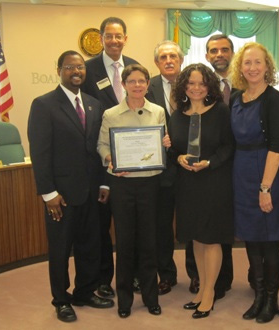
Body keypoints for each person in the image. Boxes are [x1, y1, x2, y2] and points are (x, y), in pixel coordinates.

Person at [28, 50, 114, 323]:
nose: (76, 72)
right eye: (69, 67)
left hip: (90, 191)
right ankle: (61, 299)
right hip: (61, 196)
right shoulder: (44, 105)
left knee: (90, 245)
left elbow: (97, 148)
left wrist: (103, 182)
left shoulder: (93, 103)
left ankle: (85, 291)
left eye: (80, 67)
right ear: (59, 70)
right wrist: (48, 193)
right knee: (61, 250)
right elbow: (40, 153)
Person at [97, 64, 165, 319]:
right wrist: (110, 160)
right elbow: (102, 145)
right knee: (124, 243)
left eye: (142, 81)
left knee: (149, 242)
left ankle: (150, 297)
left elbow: (161, 142)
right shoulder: (111, 114)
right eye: (132, 81)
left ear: (148, 84)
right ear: (124, 84)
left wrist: (165, 141)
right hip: (122, 184)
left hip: (150, 183)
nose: (137, 85)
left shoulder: (157, 111)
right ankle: (124, 299)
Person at [167, 63, 234, 319]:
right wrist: (179, 158)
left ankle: (209, 292)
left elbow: (229, 147)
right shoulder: (177, 114)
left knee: (211, 237)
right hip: (187, 184)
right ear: (184, 85)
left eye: (201, 83)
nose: (196, 88)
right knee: (195, 237)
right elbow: (173, 150)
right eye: (191, 83)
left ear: (209, 86)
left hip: (214, 181)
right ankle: (201, 289)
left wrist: (210, 162)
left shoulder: (221, 112)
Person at [229, 42, 279, 324]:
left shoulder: (273, 99)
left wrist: (265, 187)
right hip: (241, 172)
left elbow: (277, 146)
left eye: (257, 62)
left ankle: (271, 299)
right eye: (247, 63)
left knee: (269, 240)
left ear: (267, 67)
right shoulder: (236, 98)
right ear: (240, 67)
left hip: (266, 172)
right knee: (251, 238)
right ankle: (258, 295)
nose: (252, 68)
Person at [82, 16, 139, 298]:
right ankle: (103, 278)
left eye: (119, 35)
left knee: (132, 223)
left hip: (134, 162)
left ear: (125, 38)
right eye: (109, 35)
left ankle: (134, 276)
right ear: (101, 38)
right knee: (101, 225)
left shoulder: (134, 66)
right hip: (100, 161)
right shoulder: (87, 69)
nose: (114, 40)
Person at [146, 40, 184, 296]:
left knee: (192, 224)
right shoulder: (146, 86)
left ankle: (196, 275)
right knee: (161, 227)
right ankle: (166, 274)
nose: (169, 60)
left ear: (180, 60)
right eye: (163, 57)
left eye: (173, 56)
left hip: (190, 167)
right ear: (157, 63)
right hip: (160, 171)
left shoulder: (194, 83)